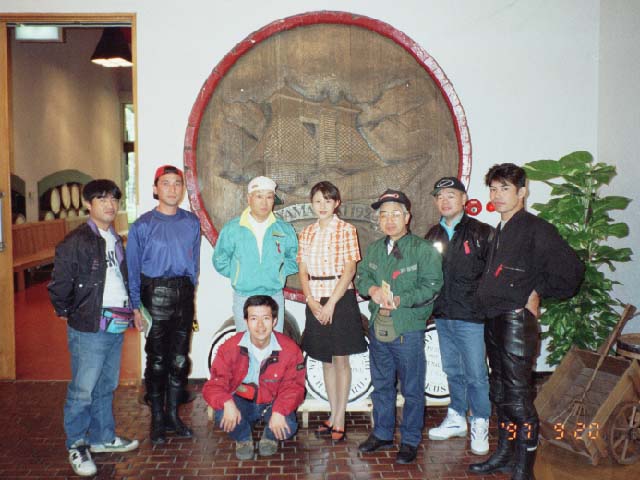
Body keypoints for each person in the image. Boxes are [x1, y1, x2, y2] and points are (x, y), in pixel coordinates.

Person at [469, 163, 584, 480]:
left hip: (516, 324)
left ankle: (524, 467)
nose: (497, 195)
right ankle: (505, 453)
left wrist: (537, 291)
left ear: (522, 191)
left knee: (518, 399)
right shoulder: (500, 229)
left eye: (505, 188)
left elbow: (572, 273)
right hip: (494, 320)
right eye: (493, 189)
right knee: (501, 395)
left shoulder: (537, 229)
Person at [48, 179, 139, 477]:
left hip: (116, 323)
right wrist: (69, 312)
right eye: (102, 199)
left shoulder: (114, 237)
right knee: (83, 390)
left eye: (113, 199)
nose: (110, 205)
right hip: (89, 326)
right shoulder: (76, 241)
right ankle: (77, 443)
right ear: (88, 204)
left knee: (105, 385)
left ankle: (102, 437)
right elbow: (59, 285)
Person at [355, 189, 443, 464]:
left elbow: (432, 286)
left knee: (412, 388)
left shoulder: (423, 250)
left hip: (408, 329)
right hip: (378, 327)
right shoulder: (374, 249)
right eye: (384, 215)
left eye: (395, 214)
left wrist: (400, 299)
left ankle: (410, 440)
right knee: (382, 385)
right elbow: (361, 277)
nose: (389, 220)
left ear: (407, 217)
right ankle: (382, 433)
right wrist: (371, 289)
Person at [126, 165, 201, 445]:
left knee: (179, 360)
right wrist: (136, 307)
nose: (172, 188)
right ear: (155, 188)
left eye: (177, 183)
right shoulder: (142, 225)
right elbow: (132, 270)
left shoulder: (191, 222)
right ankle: (157, 419)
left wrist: (189, 292)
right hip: (154, 296)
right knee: (157, 361)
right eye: (166, 183)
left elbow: (194, 264)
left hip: (183, 295)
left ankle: (173, 416)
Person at [424, 177, 494, 455]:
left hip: (472, 317)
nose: (445, 201)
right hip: (443, 315)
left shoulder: (482, 232)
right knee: (452, 370)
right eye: (440, 196)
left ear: (464, 199)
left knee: (476, 374)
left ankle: (480, 421)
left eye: (451, 195)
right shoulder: (432, 235)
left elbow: (494, 275)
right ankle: (456, 417)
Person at [297, 181, 367, 442]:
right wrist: (311, 300)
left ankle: (340, 418)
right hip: (315, 299)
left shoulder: (347, 230)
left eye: (328, 200)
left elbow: (350, 271)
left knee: (340, 360)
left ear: (337, 203)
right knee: (324, 359)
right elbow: (303, 270)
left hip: (340, 299)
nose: (322, 206)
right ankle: (331, 413)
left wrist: (330, 304)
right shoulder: (307, 232)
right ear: (312, 204)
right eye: (318, 201)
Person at [203, 295, 306, 460]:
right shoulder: (229, 347)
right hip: (242, 402)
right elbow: (214, 384)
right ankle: (243, 438)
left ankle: (270, 436)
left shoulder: (290, 349)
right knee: (221, 415)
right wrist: (227, 402)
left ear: (274, 321)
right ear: (246, 321)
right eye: (253, 318)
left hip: (272, 403)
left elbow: (294, 387)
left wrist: (280, 410)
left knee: (289, 426)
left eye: (265, 318)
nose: (260, 325)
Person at [213, 176, 298, 333]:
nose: (264, 202)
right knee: (245, 344)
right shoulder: (233, 229)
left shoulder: (284, 229)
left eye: (269, 197)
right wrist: (239, 274)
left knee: (274, 345)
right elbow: (220, 260)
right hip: (244, 297)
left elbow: (294, 258)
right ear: (249, 198)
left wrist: (277, 273)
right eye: (259, 196)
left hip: (274, 296)